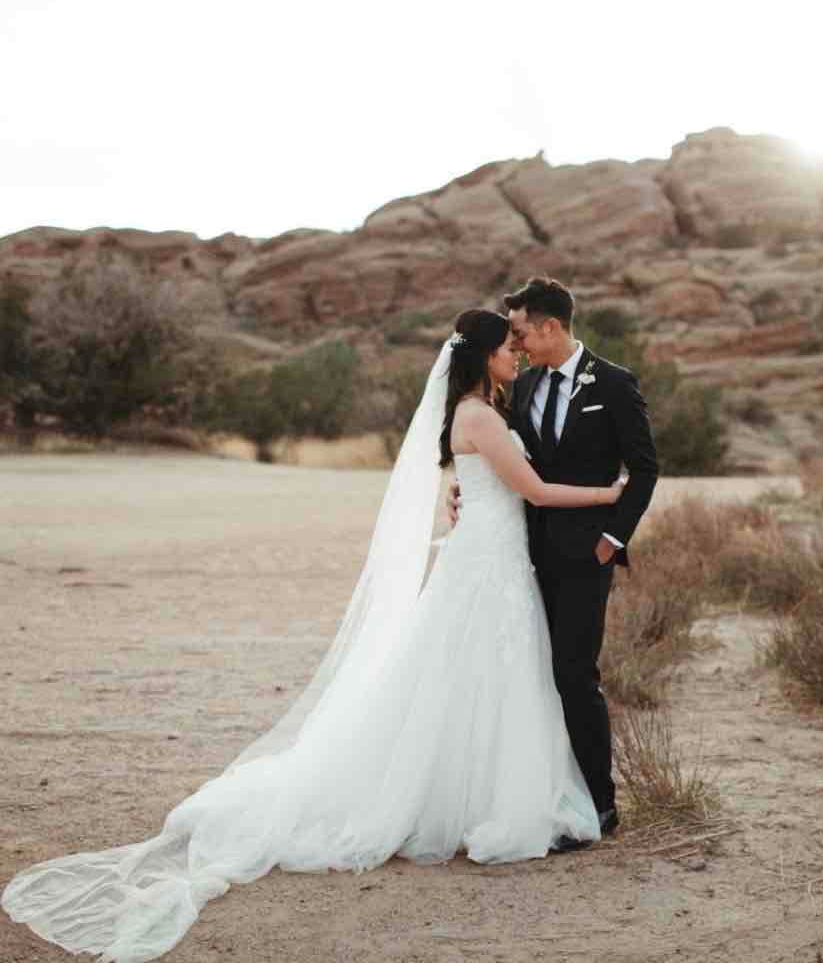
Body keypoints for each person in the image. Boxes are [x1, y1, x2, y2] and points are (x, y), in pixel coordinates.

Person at [2, 308, 626, 963]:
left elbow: (486, 484)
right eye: (507, 347)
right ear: (481, 356)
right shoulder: (478, 416)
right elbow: (532, 489)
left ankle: (475, 797)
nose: (517, 356)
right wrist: (607, 494)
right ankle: (481, 803)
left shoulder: (479, 413)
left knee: (478, 677)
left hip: (491, 560)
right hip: (486, 567)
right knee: (477, 673)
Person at [449, 278, 658, 849]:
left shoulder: (613, 384)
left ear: (551, 328)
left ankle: (599, 803)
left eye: (520, 333)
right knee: (525, 675)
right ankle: (529, 793)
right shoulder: (523, 385)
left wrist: (612, 540)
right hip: (517, 554)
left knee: (573, 675)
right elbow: (508, 464)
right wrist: (465, 493)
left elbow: (644, 469)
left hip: (584, 558)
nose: (515, 345)